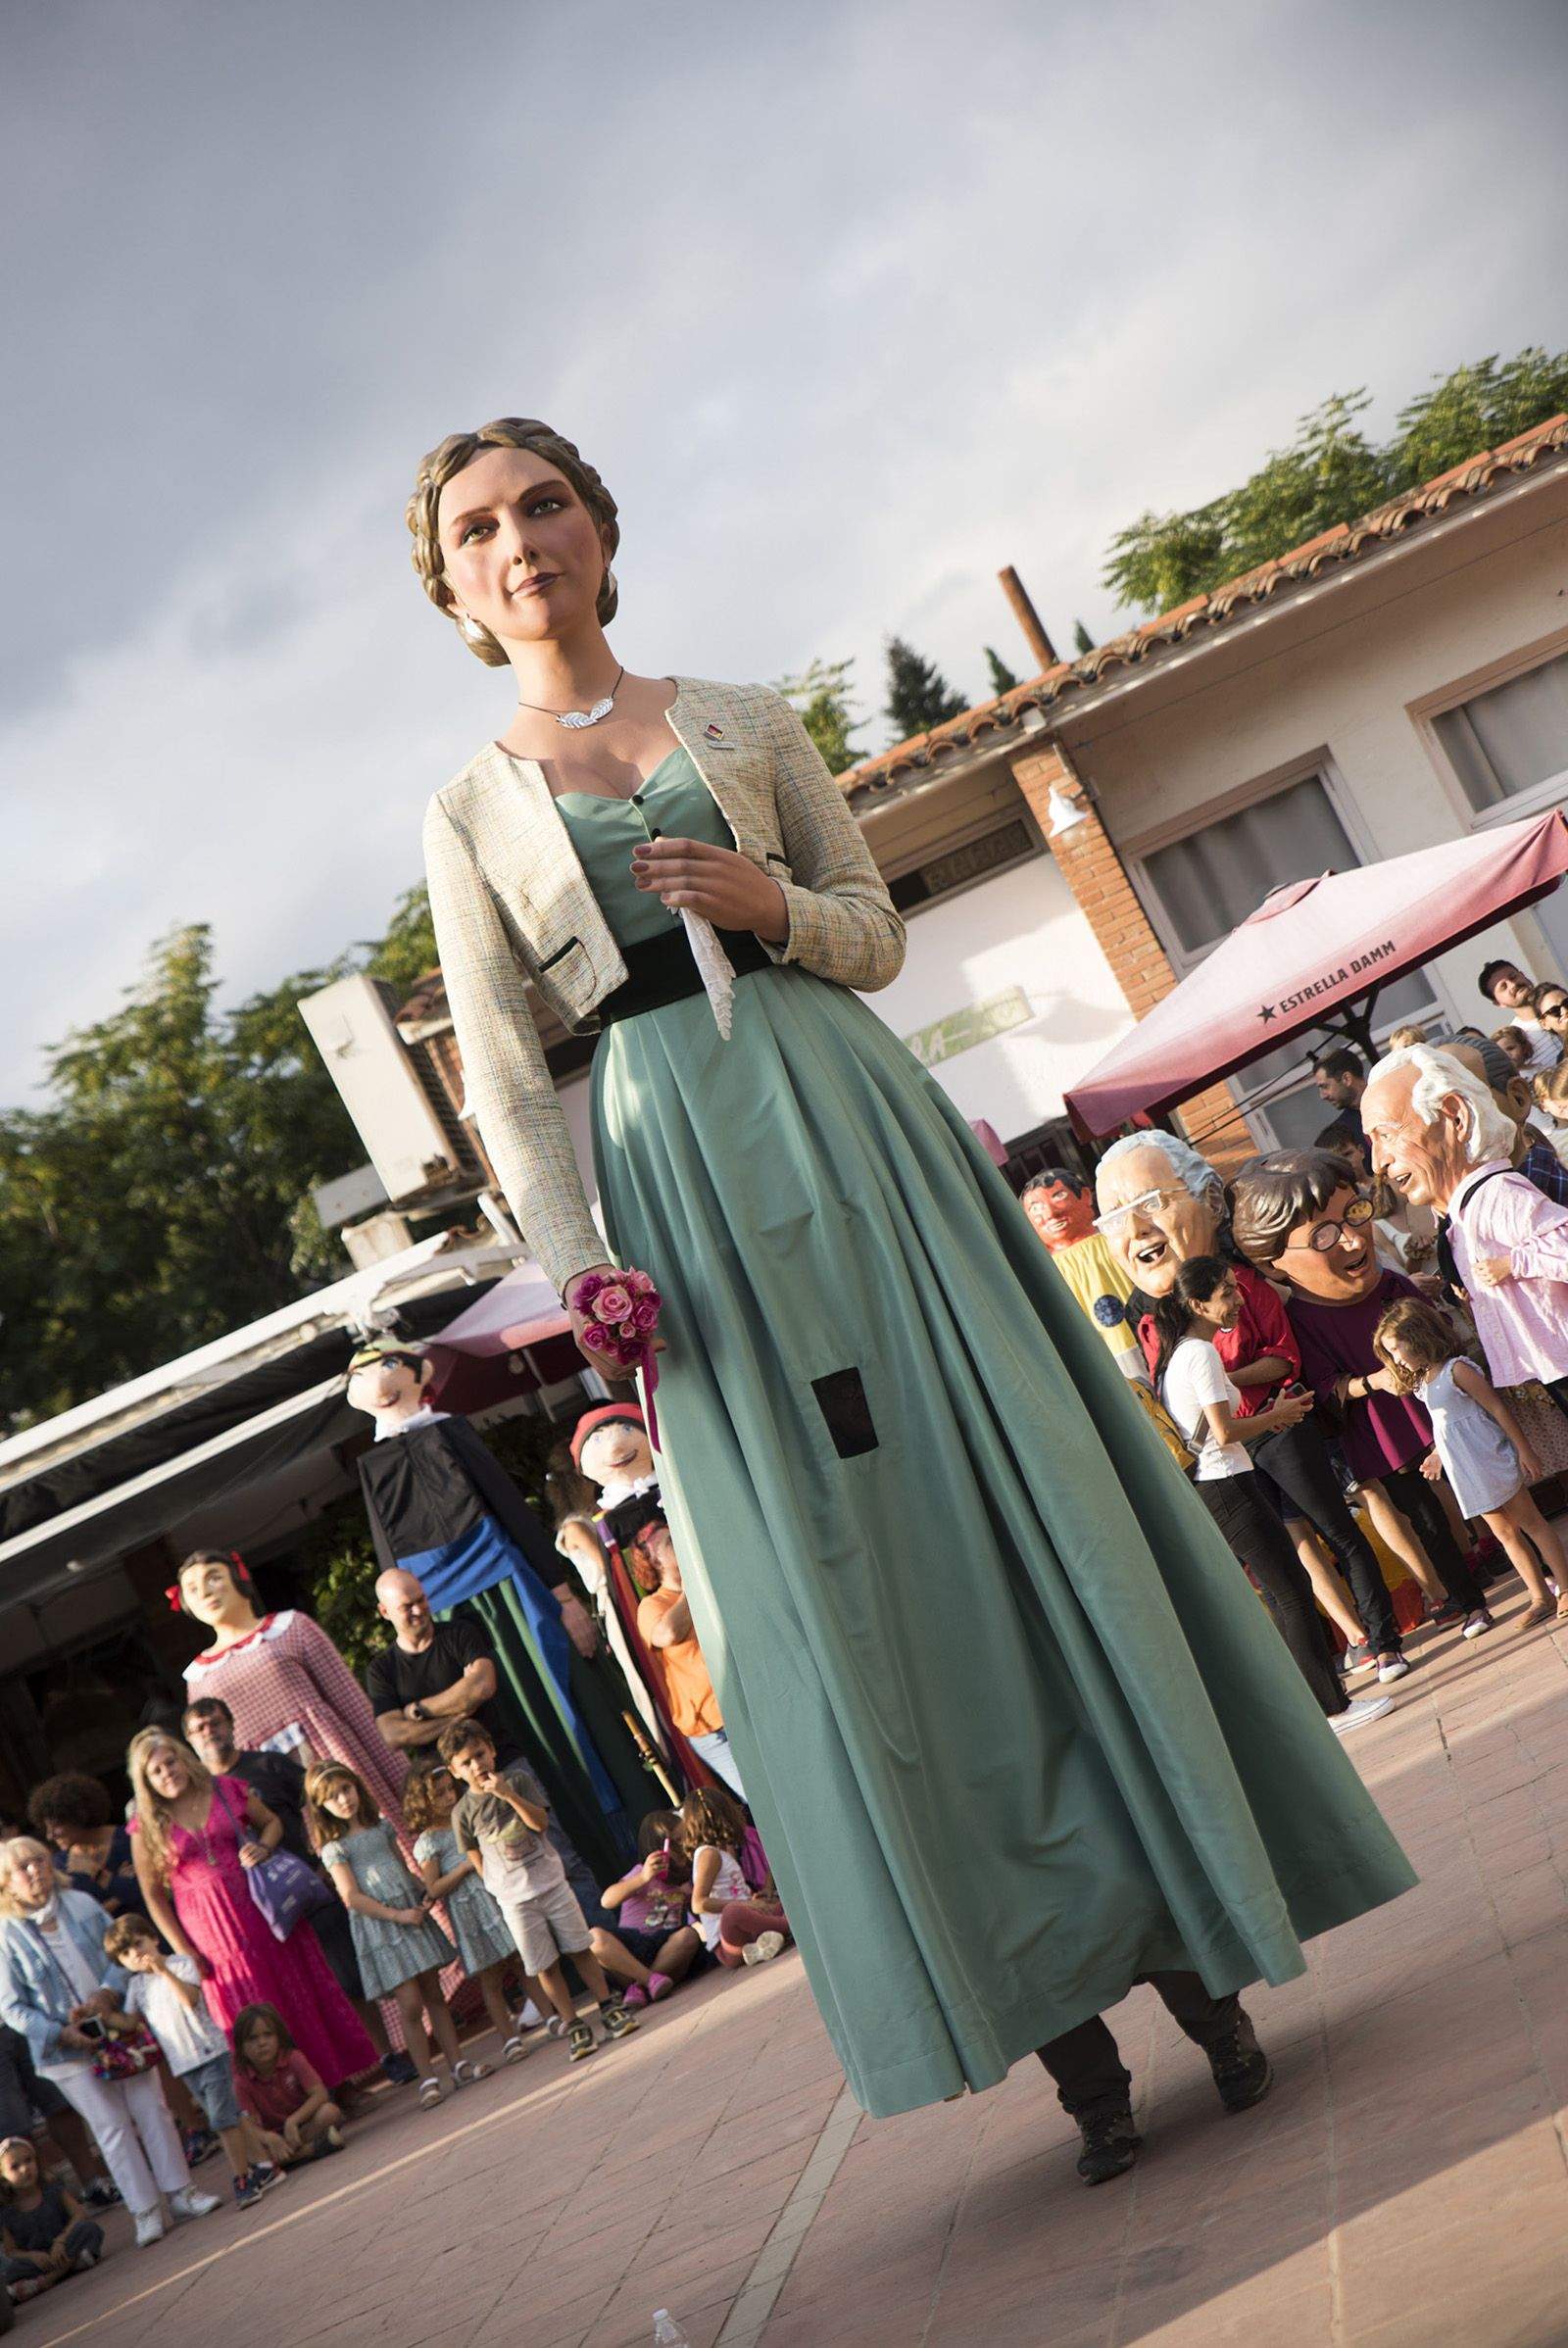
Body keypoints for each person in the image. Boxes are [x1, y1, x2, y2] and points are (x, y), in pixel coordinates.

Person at [407, 414, 1413, 2162]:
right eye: (480, 527)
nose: (521, 541)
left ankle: (1203, 1960)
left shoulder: (744, 718)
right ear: (453, 584)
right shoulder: (464, 812)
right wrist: (584, 1280)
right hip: (681, 1184)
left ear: (599, 524)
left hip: (859, 1130)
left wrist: (769, 899)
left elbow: (871, 929)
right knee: (848, 1587)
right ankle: (1066, 2045)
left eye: (545, 502)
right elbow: (501, 1079)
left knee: (1024, 1502)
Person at [1097, 1129, 1411, 1682]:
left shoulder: (1241, 1283)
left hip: (1278, 1429)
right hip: (1225, 1458)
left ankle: (1385, 1639)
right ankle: (1344, 1648)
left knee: (1335, 1528)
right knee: (1287, 1557)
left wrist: (1216, 1377)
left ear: (1211, 1201)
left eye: (1150, 1203)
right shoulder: (1146, 1317)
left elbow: (1283, 1358)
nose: (1137, 1229)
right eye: (1116, 1217)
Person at [1231, 1151, 1494, 1641]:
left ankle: (1507, 1560)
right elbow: (1324, 1385)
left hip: (1440, 1411)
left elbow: (1441, 1339)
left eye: (1354, 1213)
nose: (1353, 1239)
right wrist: (1373, 1382)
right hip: (1381, 1432)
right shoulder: (1304, 1321)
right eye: (1324, 1236)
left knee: (1484, 1485)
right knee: (1425, 1516)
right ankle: (1466, 1597)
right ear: (1274, 1264)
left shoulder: (1391, 1284)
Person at [1149, 1259, 1390, 1731]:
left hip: (1221, 1486)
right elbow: (1224, 1431)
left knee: (1285, 1594)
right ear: (1198, 1304)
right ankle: (1330, 1708)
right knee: (1292, 1593)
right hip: (1226, 1484)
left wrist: (1274, 1413)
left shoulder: (1180, 1353)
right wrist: (1278, 1416)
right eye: (1225, 1293)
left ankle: (1319, 1705)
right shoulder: (1200, 1353)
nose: (1238, 1299)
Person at [125, 1730, 375, 2094]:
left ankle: (332, 2085)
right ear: (146, 1783)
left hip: (265, 1913)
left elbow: (271, 1822)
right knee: (248, 2009)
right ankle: (284, 2103)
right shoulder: (146, 1827)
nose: (167, 1774)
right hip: (213, 1935)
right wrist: (184, 1951)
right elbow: (153, 1895)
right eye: (156, 1772)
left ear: (183, 1759)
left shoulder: (224, 1788)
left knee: (297, 1992)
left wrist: (265, 1848)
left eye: (170, 1763)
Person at [0, 1838, 220, 2249]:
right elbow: (11, 2008)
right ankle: (145, 2210)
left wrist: (105, 1994)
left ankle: (182, 2192)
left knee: (151, 2109)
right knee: (111, 2127)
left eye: (39, 1862)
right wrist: (60, 2032)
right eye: (22, 1868)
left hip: (118, 2027)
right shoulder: (5, 1934)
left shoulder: (81, 1903)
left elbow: (121, 1956)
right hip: (64, 2050)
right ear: (6, 1884)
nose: (34, 1872)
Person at [179, 1695, 410, 2087]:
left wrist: (324, 1860)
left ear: (232, 1724)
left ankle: (387, 2054)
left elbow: (319, 1807)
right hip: (251, 1913)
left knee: (348, 1977)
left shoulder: (268, 1765)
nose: (210, 1733)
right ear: (188, 1740)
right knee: (297, 1994)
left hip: (305, 1888)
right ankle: (328, 2079)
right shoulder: (195, 1794)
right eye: (199, 1729)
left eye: (216, 1723)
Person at [1363, 1044, 1568, 1423]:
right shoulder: (1463, 1216)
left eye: (1387, 1135)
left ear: (1454, 1117)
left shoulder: (1500, 1194)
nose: (1378, 1162)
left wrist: (1513, 1263)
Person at [439, 1721, 638, 2065]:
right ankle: (573, 2022)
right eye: (466, 1762)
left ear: (493, 1749)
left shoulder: (518, 1781)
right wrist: (500, 1888)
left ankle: (608, 2005)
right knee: (543, 1965)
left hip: (551, 1884)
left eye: (480, 1755)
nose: (477, 1766)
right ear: (455, 1771)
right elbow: (475, 1857)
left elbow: (540, 1824)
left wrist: (508, 1795)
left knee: (579, 1947)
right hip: (516, 1901)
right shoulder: (462, 1813)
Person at [1372, 1298, 1567, 1631]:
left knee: (1531, 1522)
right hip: (1467, 1469)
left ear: (1418, 1336)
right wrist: (1437, 1453)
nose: (1396, 1359)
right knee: (1504, 1533)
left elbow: (1496, 1409)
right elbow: (1443, 1424)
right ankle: (1540, 1596)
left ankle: (1564, 1585)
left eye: (1396, 1349)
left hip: (1490, 1456)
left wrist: (1523, 1449)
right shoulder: (1423, 1383)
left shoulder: (1456, 1369)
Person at [173, 1549, 406, 1821]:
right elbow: (214, 1760)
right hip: (268, 1790)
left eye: (213, 1579)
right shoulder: (199, 1676)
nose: (204, 1592)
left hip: (330, 1758)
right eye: (191, 1589)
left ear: (239, 1578)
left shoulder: (291, 1627)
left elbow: (353, 1706)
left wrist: (402, 1779)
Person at [303, 1762, 480, 2113]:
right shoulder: (335, 1848)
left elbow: (403, 1871)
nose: (343, 1800)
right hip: (383, 1926)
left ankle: (458, 2064)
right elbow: (351, 1897)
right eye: (333, 1796)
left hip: (411, 1916)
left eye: (346, 1789)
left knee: (434, 1994)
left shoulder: (381, 1828)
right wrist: (397, 1915)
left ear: (357, 1787)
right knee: (410, 2003)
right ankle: (427, 2078)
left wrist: (423, 1893)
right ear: (321, 1807)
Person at [104, 1914, 279, 2212]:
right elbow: (131, 2022)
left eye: (138, 1944)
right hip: (183, 2062)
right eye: (126, 1953)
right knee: (230, 2115)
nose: (137, 1954)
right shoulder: (136, 1987)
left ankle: (242, 2178)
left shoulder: (180, 1964)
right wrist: (102, 2018)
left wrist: (163, 1971)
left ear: (154, 1939)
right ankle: (264, 2164)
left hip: (210, 2053)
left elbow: (190, 1999)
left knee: (221, 2121)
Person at [404, 1762, 528, 2064]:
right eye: (439, 1794)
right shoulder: (428, 1842)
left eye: (450, 1789)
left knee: (522, 1961)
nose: (449, 1797)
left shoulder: (467, 1816)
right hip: (468, 1912)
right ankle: (508, 2037)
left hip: (494, 1897)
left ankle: (550, 2015)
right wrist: (464, 1867)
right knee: (490, 1977)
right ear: (423, 1802)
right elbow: (432, 1888)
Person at [630, 1522, 744, 1800]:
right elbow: (667, 1633)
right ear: (654, 1560)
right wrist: (693, 1585)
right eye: (670, 1542)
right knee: (765, 1798)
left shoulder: (712, 1581)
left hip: (744, 1707)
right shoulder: (653, 1605)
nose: (680, 1541)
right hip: (711, 1729)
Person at [366, 1569, 514, 1760]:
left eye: (421, 1600)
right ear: (385, 1611)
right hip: (446, 1785)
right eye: (407, 1606)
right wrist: (457, 1715)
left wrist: (417, 1710)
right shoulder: (381, 1670)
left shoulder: (459, 1633)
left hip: (501, 1760)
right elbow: (393, 1735)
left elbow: (482, 1686)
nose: (418, 1610)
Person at [1020, 1170, 1145, 1380]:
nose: (1050, 1213)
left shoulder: (1115, 1239)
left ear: (1086, 1196)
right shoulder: (1043, 1273)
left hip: (1144, 1334)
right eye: (1036, 1208)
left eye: (1058, 1196)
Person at [677, 1788, 792, 1970]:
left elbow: (733, 1890)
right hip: (728, 1945)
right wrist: (747, 1906)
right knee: (733, 1912)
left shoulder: (724, 1851)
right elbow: (698, 1904)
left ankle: (765, 1942)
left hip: (747, 1932)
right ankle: (787, 1926)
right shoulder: (709, 1855)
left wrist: (754, 1900)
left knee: (782, 1900)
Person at [599, 1814, 705, 2007]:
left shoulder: (686, 1879)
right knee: (594, 1938)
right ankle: (648, 1981)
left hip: (665, 1949)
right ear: (659, 1847)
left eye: (687, 1837)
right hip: (633, 1947)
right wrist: (643, 1878)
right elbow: (607, 1900)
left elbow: (700, 1911)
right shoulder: (642, 1872)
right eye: (677, 1841)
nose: (684, 1846)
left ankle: (640, 1987)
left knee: (689, 1936)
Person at [231, 2006, 345, 2169]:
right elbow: (249, 2126)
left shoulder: (293, 2058)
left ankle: (286, 2160)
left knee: (329, 2112)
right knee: (248, 2150)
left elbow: (320, 2094)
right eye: (252, 2038)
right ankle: (312, 2150)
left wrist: (293, 2121)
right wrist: (268, 2137)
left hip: (301, 2127)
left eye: (268, 2035)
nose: (262, 2043)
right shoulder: (241, 2081)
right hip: (271, 2139)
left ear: (279, 2036)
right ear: (241, 2047)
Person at [0, 2136, 103, 2303]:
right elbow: (11, 2251)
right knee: (10, 2270)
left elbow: (79, 2214)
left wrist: (61, 2241)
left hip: (64, 2245)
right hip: (39, 2261)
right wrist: (33, 2256)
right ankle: (71, 2265)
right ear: (3, 2178)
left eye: (29, 2160)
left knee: (89, 2229)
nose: (25, 2169)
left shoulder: (52, 2190)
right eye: (15, 2167)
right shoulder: (6, 2212)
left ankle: (47, 2280)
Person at [25, 1778, 140, 1922]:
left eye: (55, 1826)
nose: (49, 1835)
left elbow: (145, 1892)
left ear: (77, 1817)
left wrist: (98, 1874)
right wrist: (118, 1892)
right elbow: (76, 1919)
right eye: (46, 1827)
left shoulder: (129, 1840)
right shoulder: (60, 1864)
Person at [1478, 960, 1561, 1072]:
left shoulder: (1562, 1003)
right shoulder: (1512, 1038)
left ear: (1522, 975)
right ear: (1498, 1003)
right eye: (1504, 987)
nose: (1513, 985)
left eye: (1513, 977)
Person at [1312, 1049, 1372, 1171]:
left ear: (1346, 1079)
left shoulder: (1395, 1099)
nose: (1322, 1096)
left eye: (1325, 1086)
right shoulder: (1340, 1133)